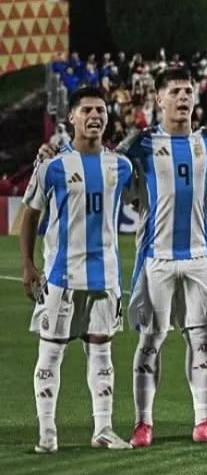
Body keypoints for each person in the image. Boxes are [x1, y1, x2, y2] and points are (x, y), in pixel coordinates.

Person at [16, 87, 134, 453]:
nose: (95, 116)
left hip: (105, 278)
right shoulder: (52, 167)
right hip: (61, 277)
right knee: (50, 354)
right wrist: (28, 265)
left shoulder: (121, 166)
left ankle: (103, 428)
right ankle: (47, 433)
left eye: (100, 110)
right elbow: (30, 216)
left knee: (102, 354)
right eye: (87, 110)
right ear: (72, 118)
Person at [122, 67, 207, 446]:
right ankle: (143, 423)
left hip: (201, 255)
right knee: (152, 339)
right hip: (157, 256)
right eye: (176, 92)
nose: (184, 97)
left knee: (201, 339)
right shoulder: (142, 143)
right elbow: (110, 169)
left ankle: (203, 421)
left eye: (188, 91)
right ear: (159, 99)